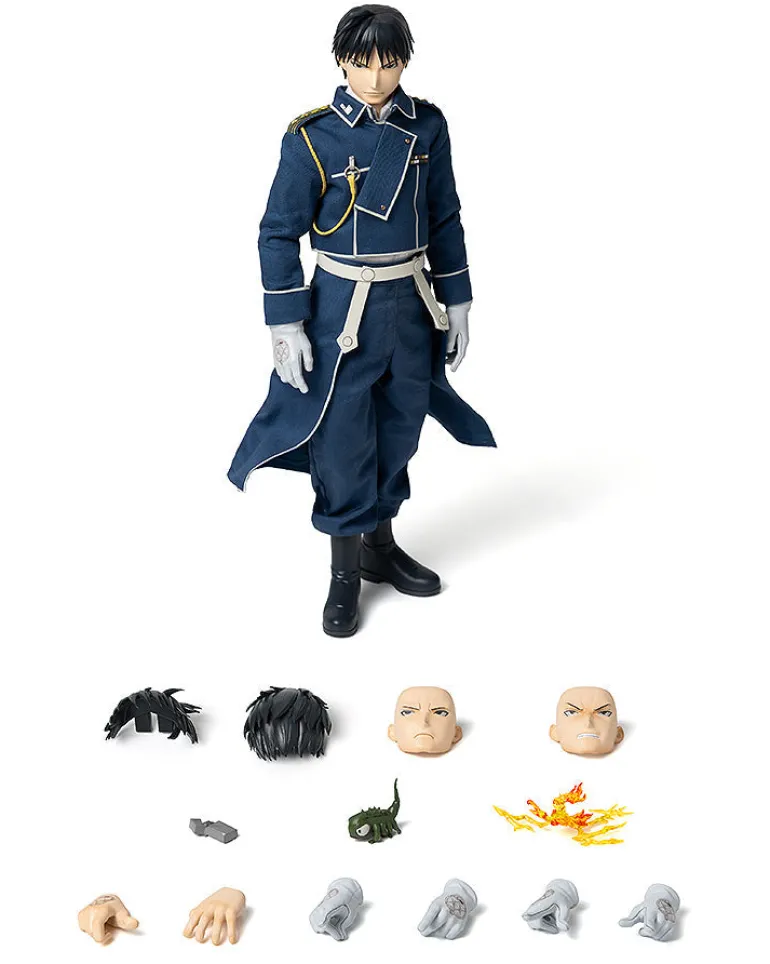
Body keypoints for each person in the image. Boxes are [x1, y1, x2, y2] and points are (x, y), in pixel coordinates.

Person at [229, 5, 494, 636]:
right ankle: (344, 573)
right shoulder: (312, 138)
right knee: (342, 438)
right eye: (361, 63)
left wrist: (457, 298)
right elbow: (277, 233)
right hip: (340, 307)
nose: (375, 78)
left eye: (389, 63)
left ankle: (380, 547)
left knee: (401, 425)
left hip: (411, 301)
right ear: (341, 60)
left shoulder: (426, 126)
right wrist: (286, 323)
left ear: (404, 62)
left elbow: (445, 214)